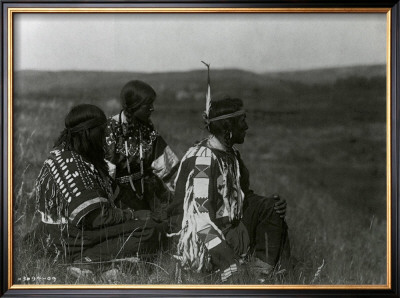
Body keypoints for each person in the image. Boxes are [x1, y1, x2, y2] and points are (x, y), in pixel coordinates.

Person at [27, 104, 164, 274]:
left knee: (151, 225)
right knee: (148, 231)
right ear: (88, 133)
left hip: (64, 233)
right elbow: (96, 218)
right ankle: (85, 261)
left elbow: (116, 193)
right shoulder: (72, 164)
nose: (105, 137)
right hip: (68, 237)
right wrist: (135, 216)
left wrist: (147, 209)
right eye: (102, 131)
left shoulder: (75, 155)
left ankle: (88, 259)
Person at [168, 95, 290, 282]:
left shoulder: (230, 154)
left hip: (228, 227)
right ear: (228, 128)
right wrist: (227, 261)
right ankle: (243, 275)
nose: (246, 127)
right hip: (203, 241)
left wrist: (271, 205)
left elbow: (240, 196)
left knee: (271, 208)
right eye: (242, 121)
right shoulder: (203, 160)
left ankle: (262, 276)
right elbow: (199, 220)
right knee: (232, 270)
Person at [105, 80, 179, 220]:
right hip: (118, 198)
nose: (152, 108)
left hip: (145, 195)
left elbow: (169, 166)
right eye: (148, 105)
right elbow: (106, 174)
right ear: (134, 106)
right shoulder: (110, 130)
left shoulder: (147, 129)